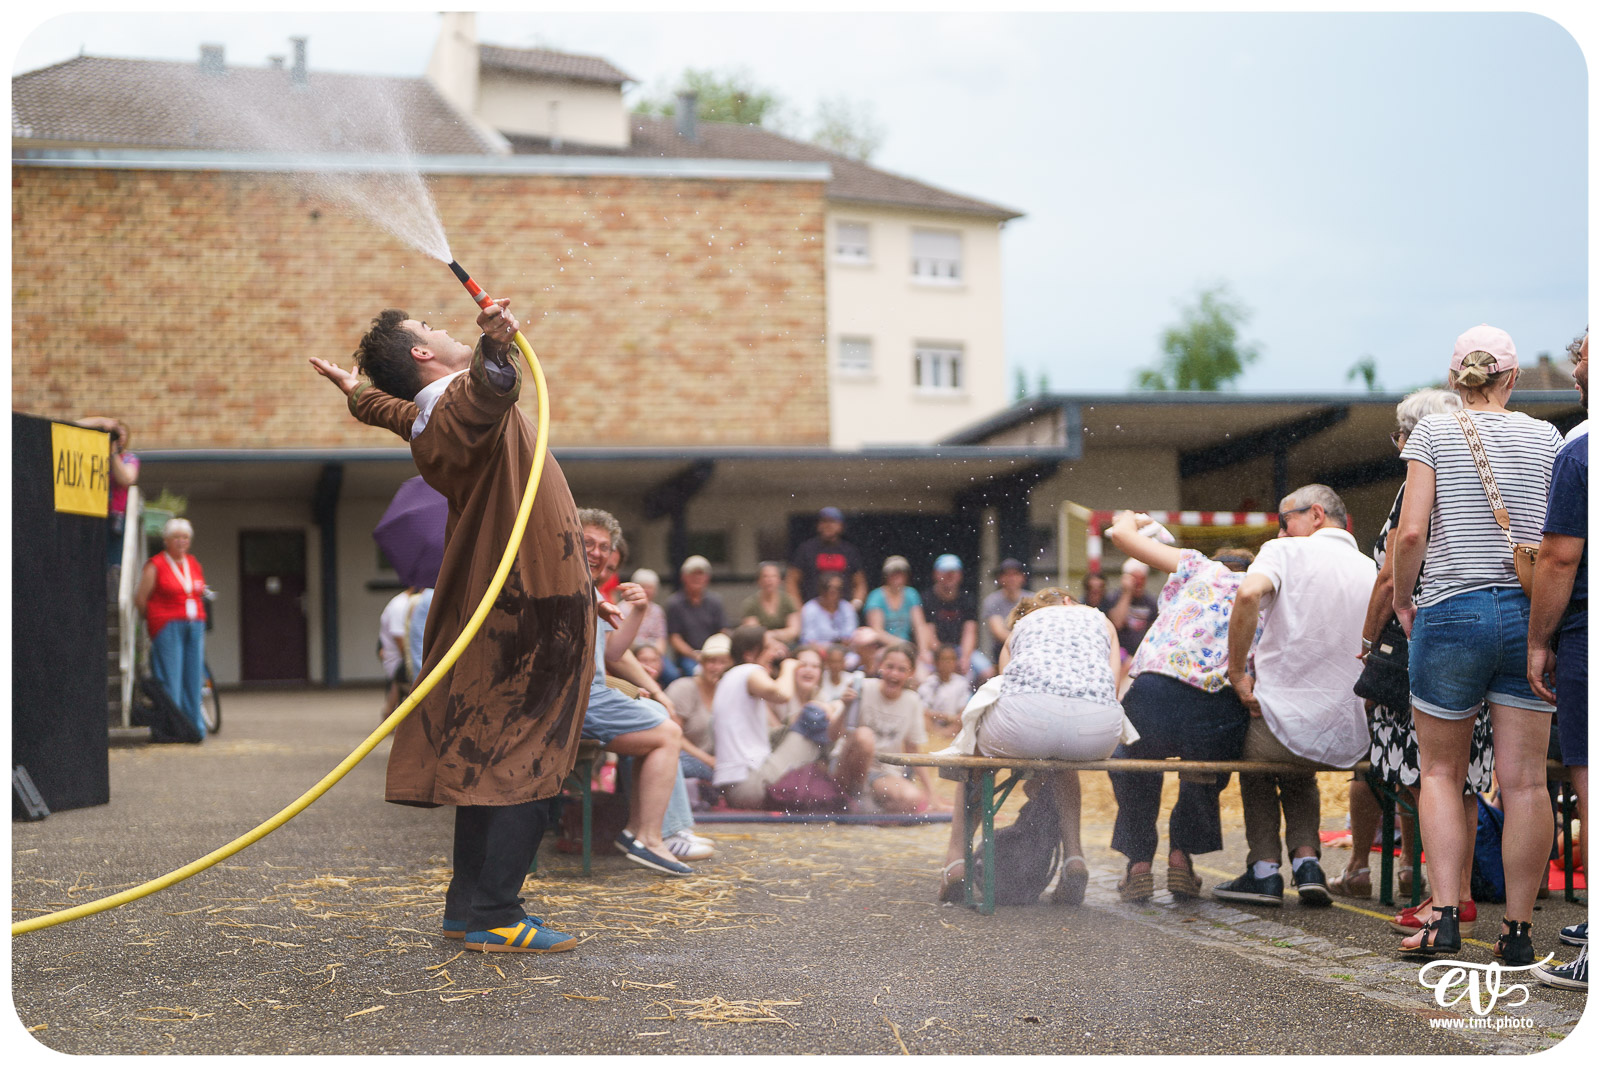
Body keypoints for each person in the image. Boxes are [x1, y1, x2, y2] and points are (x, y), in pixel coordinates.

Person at [311, 298, 593, 953]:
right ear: (422, 354)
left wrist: (359, 395)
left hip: (520, 602)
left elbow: (406, 411)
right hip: (535, 608)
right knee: (528, 755)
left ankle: (468, 910)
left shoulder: (429, 414)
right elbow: (490, 393)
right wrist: (496, 348)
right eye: (431, 328)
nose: (442, 327)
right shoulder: (461, 408)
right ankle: (496, 913)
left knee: (487, 755)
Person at [1391, 325, 1566, 960]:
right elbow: (1557, 538)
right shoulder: (1546, 437)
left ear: (1453, 378)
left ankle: (1444, 920)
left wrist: (1405, 596)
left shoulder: (1435, 432)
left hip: (1452, 610)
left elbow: (1411, 534)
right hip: (1527, 615)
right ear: (1511, 378)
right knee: (1524, 783)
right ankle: (1518, 934)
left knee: (1441, 771)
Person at [1350, 388, 1491, 917]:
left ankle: (1437, 898)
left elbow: (1390, 576)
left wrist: (1367, 642)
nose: (1399, 445)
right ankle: (1464, 893)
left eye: (1400, 435)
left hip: (1426, 638)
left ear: (1418, 435)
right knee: (1469, 778)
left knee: (1423, 773)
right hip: (1487, 633)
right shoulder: (1478, 486)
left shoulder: (1418, 486)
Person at [1213, 484, 1376, 909]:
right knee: (1297, 757)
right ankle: (1308, 863)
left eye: (1286, 522)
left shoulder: (1283, 552)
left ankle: (1265, 869)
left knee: (1260, 754)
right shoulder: (1369, 567)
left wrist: (1236, 672)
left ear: (1316, 515)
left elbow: (1247, 594)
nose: (1282, 533)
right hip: (1351, 734)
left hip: (1281, 728)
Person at [935, 589, 1132, 904]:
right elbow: (1111, 680)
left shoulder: (1023, 625)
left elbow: (1004, 683)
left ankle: (956, 859)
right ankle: (1074, 858)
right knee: (1063, 754)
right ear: (1068, 601)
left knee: (974, 750)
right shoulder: (1100, 619)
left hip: (1028, 721)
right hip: (1097, 729)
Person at [1105, 510, 1256, 902]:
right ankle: (1180, 859)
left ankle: (1138, 864)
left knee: (1134, 761)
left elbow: (1119, 535)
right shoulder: (1265, 590)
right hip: (1216, 699)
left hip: (1157, 686)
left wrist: (1134, 519)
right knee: (1202, 773)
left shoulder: (1196, 566)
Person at [578, 510, 712, 871]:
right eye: (587, 543)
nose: (597, 553)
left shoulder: (589, 589)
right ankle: (654, 837)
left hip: (588, 693)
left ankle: (643, 830)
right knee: (666, 733)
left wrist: (636, 610)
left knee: (659, 718)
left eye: (604, 547)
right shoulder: (570, 585)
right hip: (576, 699)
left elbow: (613, 652)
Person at [1529, 332, 1589, 992]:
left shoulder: (1580, 448)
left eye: (1584, 359)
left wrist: (1540, 638)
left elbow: (1560, 555)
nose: (1575, 371)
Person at [712, 626, 834, 809]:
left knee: (806, 721)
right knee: (814, 718)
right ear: (749, 654)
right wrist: (789, 666)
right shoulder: (748, 670)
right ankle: (842, 788)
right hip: (750, 785)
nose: (775, 652)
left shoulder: (731, 677)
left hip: (739, 785)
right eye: (769, 647)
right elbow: (781, 694)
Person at [829, 644, 948, 814]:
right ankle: (856, 798)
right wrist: (845, 706)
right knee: (865, 736)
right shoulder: (862, 688)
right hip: (847, 765)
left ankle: (869, 808)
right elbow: (832, 735)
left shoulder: (912, 701)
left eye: (901, 669)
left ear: (910, 674)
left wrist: (931, 795)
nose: (894, 674)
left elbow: (913, 750)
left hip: (881, 773)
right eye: (890, 667)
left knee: (912, 800)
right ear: (880, 667)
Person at [134, 517, 210, 740]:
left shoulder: (193, 563)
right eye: (176, 537)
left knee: (194, 678)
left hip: (194, 623)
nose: (181, 541)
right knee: (171, 679)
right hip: (167, 624)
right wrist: (155, 620)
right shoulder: (156, 564)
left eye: (185, 537)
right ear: (166, 540)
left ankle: (194, 727)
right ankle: (173, 728)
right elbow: (141, 599)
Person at [665, 633, 732, 784]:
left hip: (718, 765)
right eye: (711, 661)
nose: (717, 667)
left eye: (723, 662)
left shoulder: (730, 692)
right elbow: (672, 736)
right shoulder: (683, 688)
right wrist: (708, 760)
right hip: (686, 757)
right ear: (702, 663)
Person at [76, 416, 140, 569]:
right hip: (93, 512)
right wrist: (101, 421)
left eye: (121, 437)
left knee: (112, 564)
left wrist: (113, 454)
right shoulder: (96, 454)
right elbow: (74, 426)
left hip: (115, 518)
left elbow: (126, 478)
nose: (118, 440)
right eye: (116, 435)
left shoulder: (129, 459)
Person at [920, 554, 987, 681]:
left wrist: (965, 658)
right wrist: (946, 658)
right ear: (936, 574)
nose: (949, 576)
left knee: (986, 672)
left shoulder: (968, 599)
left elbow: (970, 631)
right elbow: (929, 633)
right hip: (936, 650)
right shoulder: (927, 598)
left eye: (953, 572)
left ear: (960, 575)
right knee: (923, 674)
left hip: (961, 649)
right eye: (945, 572)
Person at [788, 506, 867, 609]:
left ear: (841, 526)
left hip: (841, 610)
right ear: (818, 525)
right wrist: (798, 608)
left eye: (833, 522)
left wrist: (856, 603)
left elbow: (860, 582)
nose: (828, 525)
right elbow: (792, 580)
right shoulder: (806, 549)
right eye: (824, 522)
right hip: (814, 609)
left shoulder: (849, 550)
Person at [666, 555, 727, 679]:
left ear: (707, 578)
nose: (697, 578)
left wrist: (715, 653)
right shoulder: (674, 603)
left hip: (715, 654)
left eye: (701, 574)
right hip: (688, 658)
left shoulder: (715, 602)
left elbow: (723, 632)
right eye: (693, 574)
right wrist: (695, 655)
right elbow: (674, 638)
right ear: (683, 577)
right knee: (694, 673)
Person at [863, 555, 926, 651]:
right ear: (886, 575)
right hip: (882, 648)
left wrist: (923, 651)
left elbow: (919, 626)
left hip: (907, 647)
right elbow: (877, 631)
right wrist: (902, 645)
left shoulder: (911, 594)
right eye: (893, 573)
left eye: (901, 573)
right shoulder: (876, 596)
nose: (897, 576)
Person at [377, 586, 419, 720]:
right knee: (404, 673)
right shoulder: (400, 605)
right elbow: (399, 638)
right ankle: (390, 714)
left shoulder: (410, 601)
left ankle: (391, 713)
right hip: (397, 659)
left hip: (403, 657)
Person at [1104, 557, 1158, 657]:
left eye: (1142, 579)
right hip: (1120, 654)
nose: (1138, 583)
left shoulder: (1150, 602)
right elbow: (1117, 623)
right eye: (1135, 579)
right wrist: (1127, 592)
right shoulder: (1114, 598)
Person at [738, 561, 801, 646]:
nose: (769, 580)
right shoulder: (750, 603)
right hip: (761, 646)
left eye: (773, 576)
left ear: (779, 580)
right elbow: (754, 632)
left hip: (788, 646)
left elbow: (793, 630)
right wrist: (773, 644)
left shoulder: (788, 601)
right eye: (765, 576)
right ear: (759, 580)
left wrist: (773, 634)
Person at [629, 568, 675, 683]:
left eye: (650, 587)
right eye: (643, 587)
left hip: (654, 653)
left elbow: (661, 638)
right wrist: (644, 655)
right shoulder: (623, 609)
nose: (647, 591)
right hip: (632, 654)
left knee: (673, 674)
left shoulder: (657, 610)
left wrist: (655, 657)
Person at [980, 558, 1030, 659]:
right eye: (1007, 575)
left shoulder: (1031, 599)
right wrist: (1022, 641)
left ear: (1022, 578)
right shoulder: (992, 600)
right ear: (1000, 579)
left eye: (1015, 574)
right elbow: (998, 632)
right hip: (1003, 649)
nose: (1011, 578)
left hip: (1028, 648)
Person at [917, 645, 972, 734]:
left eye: (952, 659)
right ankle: (936, 737)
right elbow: (923, 710)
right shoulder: (929, 683)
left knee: (965, 718)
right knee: (922, 718)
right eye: (944, 659)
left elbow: (963, 709)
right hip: (933, 724)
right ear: (936, 662)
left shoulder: (961, 683)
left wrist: (954, 719)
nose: (948, 663)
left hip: (954, 724)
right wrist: (946, 717)